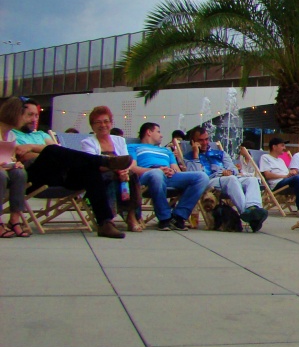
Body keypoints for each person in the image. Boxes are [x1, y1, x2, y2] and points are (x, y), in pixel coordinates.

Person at [7, 96, 130, 239]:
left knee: (89, 169)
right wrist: (42, 150)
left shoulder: (40, 134)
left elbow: (59, 151)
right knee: (51, 151)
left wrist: (32, 147)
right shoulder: (11, 134)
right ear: (19, 116)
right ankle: (102, 161)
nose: (34, 119)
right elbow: (27, 156)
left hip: (59, 174)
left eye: (36, 115)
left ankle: (105, 223)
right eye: (30, 115)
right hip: (33, 177)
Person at [128, 122, 210, 231]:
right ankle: (165, 218)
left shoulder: (166, 151)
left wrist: (172, 171)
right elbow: (132, 168)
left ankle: (178, 217)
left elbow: (177, 170)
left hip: (168, 176)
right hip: (147, 175)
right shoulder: (133, 147)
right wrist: (156, 170)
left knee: (202, 177)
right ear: (148, 132)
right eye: (158, 132)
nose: (161, 135)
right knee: (156, 174)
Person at [185, 126, 267, 232]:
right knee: (231, 179)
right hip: (209, 182)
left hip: (228, 179)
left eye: (206, 139)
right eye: (200, 140)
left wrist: (230, 171)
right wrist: (196, 155)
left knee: (252, 180)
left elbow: (234, 169)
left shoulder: (220, 153)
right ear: (193, 141)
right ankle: (245, 213)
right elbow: (195, 175)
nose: (205, 143)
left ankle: (253, 209)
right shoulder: (189, 157)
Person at [81, 105, 142, 233]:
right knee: (110, 176)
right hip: (99, 176)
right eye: (98, 122)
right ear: (92, 126)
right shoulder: (88, 142)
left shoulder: (119, 140)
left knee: (131, 175)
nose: (103, 125)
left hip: (121, 174)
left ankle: (131, 216)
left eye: (106, 121)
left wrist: (124, 171)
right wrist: (117, 170)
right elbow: (94, 164)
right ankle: (108, 217)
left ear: (111, 123)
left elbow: (126, 159)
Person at [260, 137, 299, 214]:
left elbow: (288, 173)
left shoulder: (280, 160)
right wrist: (285, 176)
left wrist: (291, 173)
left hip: (289, 181)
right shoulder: (265, 158)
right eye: (282, 145)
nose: (284, 148)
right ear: (274, 147)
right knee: (298, 178)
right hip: (278, 184)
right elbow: (267, 175)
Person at [0, 97, 30, 238]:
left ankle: (14, 220)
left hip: (4, 168)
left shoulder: (11, 135)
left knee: (20, 173)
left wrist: (15, 162)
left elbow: (9, 157)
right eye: (25, 115)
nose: (26, 120)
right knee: (1, 175)